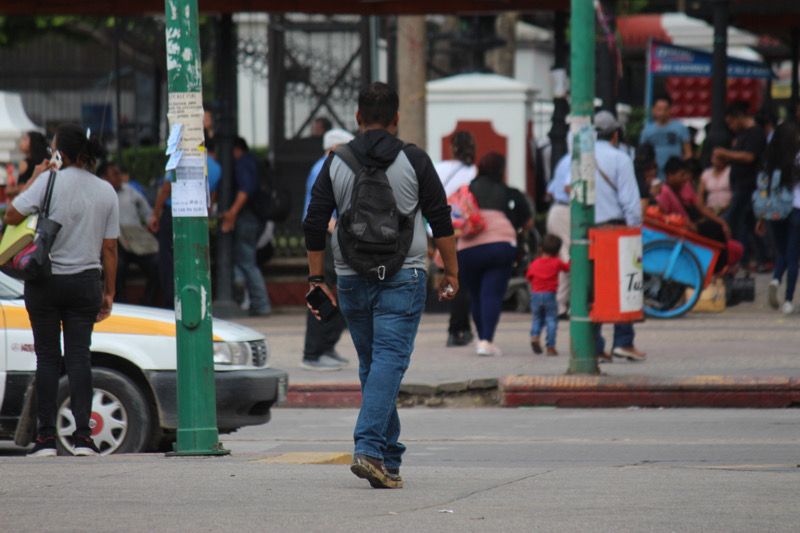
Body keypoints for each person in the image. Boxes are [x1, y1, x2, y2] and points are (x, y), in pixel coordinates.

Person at [303, 81, 458, 489]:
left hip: (350, 277)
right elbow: (440, 218)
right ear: (396, 118)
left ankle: (389, 459)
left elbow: (314, 222)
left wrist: (317, 278)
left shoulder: (336, 161)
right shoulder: (415, 159)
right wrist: (452, 271)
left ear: (357, 117)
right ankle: (370, 448)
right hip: (404, 274)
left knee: (374, 365)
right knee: (388, 360)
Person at [5, 123, 119, 457]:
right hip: (86, 283)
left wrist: (35, 176)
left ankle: (45, 439)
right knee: (80, 357)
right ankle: (83, 438)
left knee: (47, 358)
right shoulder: (106, 191)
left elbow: (11, 215)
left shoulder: (48, 182)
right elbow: (110, 248)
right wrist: (109, 292)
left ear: (59, 153)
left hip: (45, 281)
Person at [458, 152, 533, 357]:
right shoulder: (509, 192)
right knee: (491, 294)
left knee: (476, 295)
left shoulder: (466, 190)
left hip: (467, 248)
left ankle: (482, 339)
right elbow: (527, 222)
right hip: (500, 246)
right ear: (501, 170)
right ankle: (486, 341)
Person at [591, 111, 646, 362]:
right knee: (623, 283)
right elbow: (630, 201)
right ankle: (623, 341)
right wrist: (635, 230)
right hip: (615, 229)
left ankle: (594, 345)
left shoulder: (579, 157)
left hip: (587, 232)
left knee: (593, 289)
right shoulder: (620, 158)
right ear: (615, 134)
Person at [301, 128, 353, 371]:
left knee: (343, 291)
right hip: (325, 236)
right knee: (321, 290)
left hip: (331, 235)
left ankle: (327, 345)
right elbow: (319, 212)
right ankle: (313, 353)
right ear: (334, 149)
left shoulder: (333, 167)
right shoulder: (323, 168)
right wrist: (342, 235)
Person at [219, 136, 272, 317]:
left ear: (237, 149)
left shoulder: (243, 163)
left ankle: (262, 304)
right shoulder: (251, 161)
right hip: (254, 217)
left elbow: (245, 190)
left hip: (247, 217)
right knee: (243, 258)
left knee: (247, 262)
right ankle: (240, 282)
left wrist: (232, 212)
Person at [434, 130, 477, 347]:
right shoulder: (474, 172)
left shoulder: (439, 168)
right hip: (464, 232)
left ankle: (462, 327)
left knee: (451, 276)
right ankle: (456, 328)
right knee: (462, 281)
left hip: (439, 230)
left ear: (452, 147)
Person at [98, 161, 160, 306]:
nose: (119, 177)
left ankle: (148, 301)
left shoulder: (129, 190)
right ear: (103, 177)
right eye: (114, 174)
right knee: (116, 266)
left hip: (136, 241)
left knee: (157, 263)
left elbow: (147, 212)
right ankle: (121, 303)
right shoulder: (98, 194)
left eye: (118, 173)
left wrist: (151, 219)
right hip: (115, 243)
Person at [713, 101, 766, 268]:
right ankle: (763, 259)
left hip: (747, 186)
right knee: (751, 225)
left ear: (739, 117)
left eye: (731, 123)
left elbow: (749, 157)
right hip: (741, 185)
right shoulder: (742, 135)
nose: (731, 127)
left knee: (731, 223)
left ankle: (731, 260)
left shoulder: (755, 133)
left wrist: (725, 153)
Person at [755, 121, 800, 314]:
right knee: (793, 256)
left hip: (775, 211)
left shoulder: (769, 160)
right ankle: (788, 301)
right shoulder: (797, 158)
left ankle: (775, 280)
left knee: (782, 252)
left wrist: (761, 218)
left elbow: (765, 190)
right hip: (796, 210)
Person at [526, 234, 569, 356]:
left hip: (535, 295)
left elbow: (529, 277)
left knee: (537, 318)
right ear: (558, 252)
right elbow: (567, 268)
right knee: (551, 320)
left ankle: (535, 336)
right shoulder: (556, 262)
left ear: (540, 248)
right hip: (550, 295)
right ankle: (550, 347)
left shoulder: (535, 263)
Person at [639, 95, 692, 179]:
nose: (662, 112)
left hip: (675, 175)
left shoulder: (680, 128)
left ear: (670, 109)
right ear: (654, 109)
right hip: (654, 175)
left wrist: (682, 169)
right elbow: (642, 154)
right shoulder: (647, 131)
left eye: (665, 109)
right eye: (659, 109)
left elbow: (688, 152)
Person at [545, 151, 572, 317]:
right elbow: (568, 187)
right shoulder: (579, 158)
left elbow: (550, 191)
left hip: (556, 210)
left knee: (559, 256)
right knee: (566, 259)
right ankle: (560, 305)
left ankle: (557, 302)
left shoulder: (564, 159)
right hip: (567, 211)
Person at [7, 131, 49, 200]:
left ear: (33, 143)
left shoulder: (25, 163)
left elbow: (22, 186)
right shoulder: (45, 161)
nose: (21, 142)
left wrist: (11, 190)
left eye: (25, 139)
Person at [698, 152, 732, 216]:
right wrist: (702, 209)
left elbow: (735, 191)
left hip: (728, 209)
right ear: (711, 159)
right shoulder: (706, 173)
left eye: (720, 158)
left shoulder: (730, 171)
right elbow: (700, 193)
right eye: (716, 158)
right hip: (710, 210)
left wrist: (725, 207)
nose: (717, 160)